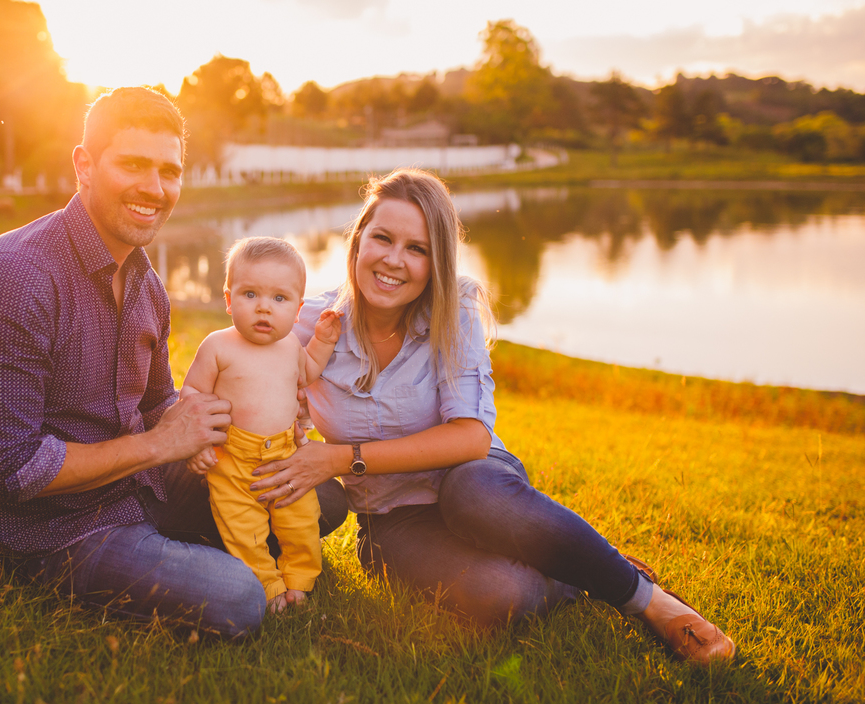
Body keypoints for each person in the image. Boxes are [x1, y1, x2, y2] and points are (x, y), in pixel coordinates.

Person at [250, 168, 736, 665]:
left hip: (476, 484)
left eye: (416, 249)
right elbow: (238, 362)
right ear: (357, 242)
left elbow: (470, 439)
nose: (393, 260)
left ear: (437, 261)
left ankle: (650, 601)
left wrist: (339, 458)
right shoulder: (306, 322)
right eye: (382, 238)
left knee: (471, 492)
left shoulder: (452, 314)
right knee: (506, 596)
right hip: (393, 519)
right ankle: (574, 568)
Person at [0, 87, 347, 639]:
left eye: (169, 170)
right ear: (84, 165)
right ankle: (186, 557)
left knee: (319, 494)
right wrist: (160, 445)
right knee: (238, 599)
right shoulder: (13, 280)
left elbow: (160, 403)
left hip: (143, 485)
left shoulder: (146, 285)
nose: (155, 189)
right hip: (56, 528)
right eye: (133, 164)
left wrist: (242, 424)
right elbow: (5, 470)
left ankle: (197, 540)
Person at [181, 237, 341, 612]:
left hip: (285, 455)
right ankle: (267, 587)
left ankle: (300, 579)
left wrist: (323, 342)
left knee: (300, 520)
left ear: (298, 309)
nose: (263, 308)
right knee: (243, 529)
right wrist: (200, 443)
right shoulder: (218, 346)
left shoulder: (290, 349)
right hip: (231, 459)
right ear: (228, 298)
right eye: (250, 294)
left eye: (279, 299)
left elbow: (310, 373)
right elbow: (191, 393)